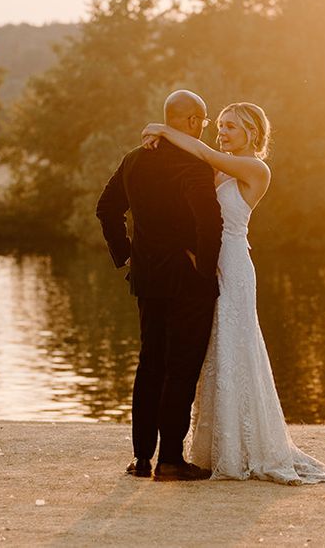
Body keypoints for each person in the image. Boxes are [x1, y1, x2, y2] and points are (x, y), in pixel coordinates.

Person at [141, 101, 325, 484]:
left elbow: (202, 150)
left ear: (252, 133)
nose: (223, 132)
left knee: (235, 346)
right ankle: (217, 447)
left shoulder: (255, 169)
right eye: (223, 125)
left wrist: (161, 129)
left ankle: (247, 446)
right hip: (205, 263)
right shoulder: (215, 166)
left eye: (231, 127)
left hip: (233, 265)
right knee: (213, 350)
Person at [96, 90, 223, 481]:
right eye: (202, 121)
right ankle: (170, 459)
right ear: (190, 121)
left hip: (148, 278)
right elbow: (209, 222)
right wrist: (205, 268)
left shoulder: (135, 160)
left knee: (150, 364)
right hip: (188, 281)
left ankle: (141, 459)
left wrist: (128, 253)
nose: (203, 129)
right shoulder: (194, 165)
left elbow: (106, 208)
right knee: (181, 368)